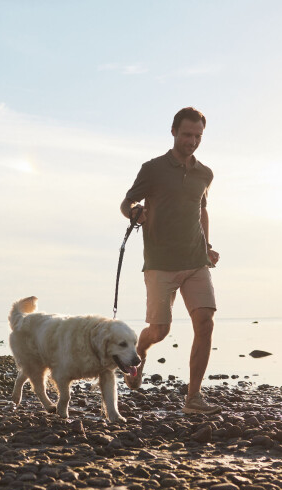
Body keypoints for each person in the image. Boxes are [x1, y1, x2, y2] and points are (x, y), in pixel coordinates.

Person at [120, 107, 221, 415]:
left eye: (198, 136)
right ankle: (140, 349)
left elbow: (201, 210)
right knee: (160, 330)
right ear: (174, 132)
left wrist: (208, 246)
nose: (192, 141)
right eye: (187, 134)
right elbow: (127, 203)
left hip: (195, 260)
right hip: (160, 261)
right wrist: (135, 211)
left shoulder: (205, 173)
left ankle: (193, 398)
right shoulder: (152, 169)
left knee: (205, 321)